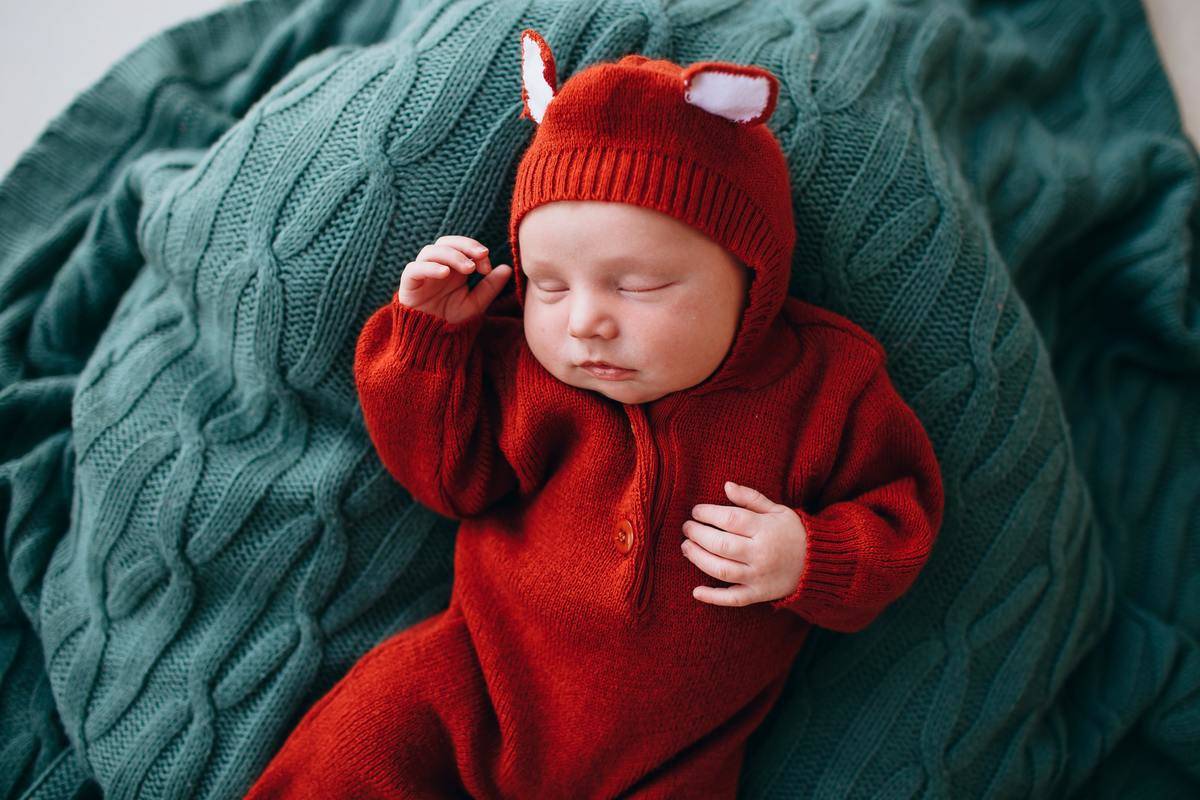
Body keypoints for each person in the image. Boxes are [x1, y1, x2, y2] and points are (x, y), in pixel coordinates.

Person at [245, 28, 944, 799]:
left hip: (671, 757)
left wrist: (810, 557)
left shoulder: (824, 385)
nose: (584, 323)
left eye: (637, 287)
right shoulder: (520, 370)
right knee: (364, 737)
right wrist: (429, 341)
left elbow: (901, 513)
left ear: (754, 278)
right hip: (479, 683)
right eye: (549, 285)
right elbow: (447, 480)